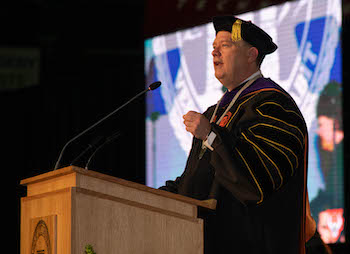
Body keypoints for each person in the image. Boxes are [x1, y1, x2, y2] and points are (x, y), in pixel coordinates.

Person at [160, 16, 309, 254]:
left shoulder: (274, 106)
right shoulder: (214, 112)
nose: (214, 52)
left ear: (251, 55)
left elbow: (255, 184)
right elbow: (197, 181)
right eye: (213, 47)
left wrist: (211, 135)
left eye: (225, 45)